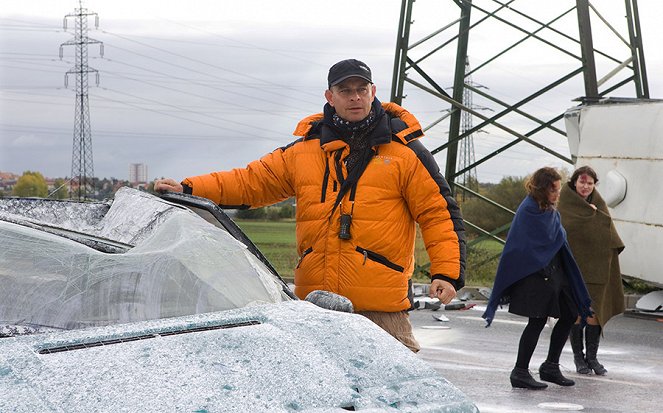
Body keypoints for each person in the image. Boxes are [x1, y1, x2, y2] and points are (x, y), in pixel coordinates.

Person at [154, 58, 466, 353]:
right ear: (330, 96)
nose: (355, 97)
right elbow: (250, 181)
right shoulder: (304, 151)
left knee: (396, 395)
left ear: (373, 92)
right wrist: (188, 187)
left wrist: (447, 273)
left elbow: (438, 213)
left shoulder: (405, 151)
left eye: (362, 89)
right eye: (345, 90)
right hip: (314, 306)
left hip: (381, 310)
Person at [482, 167, 591, 390]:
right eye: (554, 190)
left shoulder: (549, 209)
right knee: (538, 320)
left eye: (559, 190)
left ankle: (550, 366)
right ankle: (520, 371)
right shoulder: (529, 210)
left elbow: (557, 239)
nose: (558, 194)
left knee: (571, 313)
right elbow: (524, 246)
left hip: (556, 273)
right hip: (536, 274)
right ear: (543, 189)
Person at [558, 166, 625, 375]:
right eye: (582, 182)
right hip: (573, 268)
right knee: (577, 314)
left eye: (589, 183)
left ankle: (592, 358)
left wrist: (595, 217)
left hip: (597, 269)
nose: (585, 186)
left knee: (594, 314)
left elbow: (609, 234)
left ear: (594, 184)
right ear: (574, 182)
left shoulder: (599, 204)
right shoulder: (565, 204)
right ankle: (579, 359)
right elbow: (562, 232)